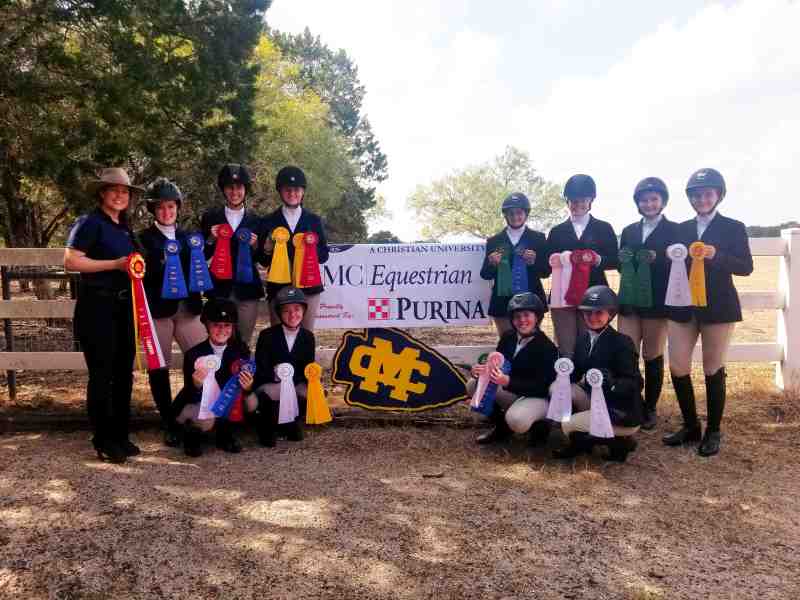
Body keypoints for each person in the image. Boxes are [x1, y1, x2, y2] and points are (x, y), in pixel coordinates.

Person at [663, 168, 753, 457]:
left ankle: (713, 430)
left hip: (718, 307)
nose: (702, 199)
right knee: (678, 365)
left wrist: (717, 256)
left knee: (713, 368)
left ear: (719, 195)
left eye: (707, 194)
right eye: (696, 195)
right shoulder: (681, 229)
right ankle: (691, 426)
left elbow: (746, 267)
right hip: (683, 307)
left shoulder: (734, 227)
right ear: (690, 198)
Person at [64, 167, 143, 463]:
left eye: (125, 192)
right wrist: (114, 265)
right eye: (114, 190)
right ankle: (103, 438)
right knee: (102, 375)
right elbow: (71, 261)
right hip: (97, 307)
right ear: (102, 193)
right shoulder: (89, 223)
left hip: (124, 308)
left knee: (124, 373)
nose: (120, 196)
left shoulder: (124, 227)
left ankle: (121, 434)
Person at [138, 178, 206, 446]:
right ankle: (168, 421)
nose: (167, 212)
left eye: (171, 207)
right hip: (159, 310)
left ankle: (185, 410)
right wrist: (161, 262)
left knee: (203, 361)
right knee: (159, 366)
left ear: (178, 208)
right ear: (153, 210)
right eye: (161, 208)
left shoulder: (190, 238)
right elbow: (143, 273)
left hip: (188, 309)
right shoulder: (143, 239)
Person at [553, 286, 643, 462]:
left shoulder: (622, 342)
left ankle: (619, 444)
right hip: (595, 401)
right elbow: (576, 372)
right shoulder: (583, 339)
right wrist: (562, 372)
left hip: (621, 410)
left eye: (598, 313)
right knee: (557, 390)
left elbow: (636, 383)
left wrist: (613, 383)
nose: (592, 318)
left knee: (568, 424)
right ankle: (584, 441)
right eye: (588, 313)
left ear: (610, 314)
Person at [617, 177, 679, 430]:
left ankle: (651, 406)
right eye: (644, 199)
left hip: (657, 303)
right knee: (627, 354)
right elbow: (622, 266)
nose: (649, 203)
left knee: (652, 356)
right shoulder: (629, 230)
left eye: (654, 199)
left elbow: (680, 265)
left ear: (662, 201)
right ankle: (631, 402)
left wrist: (660, 259)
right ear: (638, 203)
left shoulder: (674, 230)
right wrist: (623, 260)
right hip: (630, 303)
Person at [466, 292, 559, 446]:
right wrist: (481, 372)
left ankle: (540, 426)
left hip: (537, 397)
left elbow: (542, 387)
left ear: (537, 317)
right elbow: (498, 365)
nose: (522, 320)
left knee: (517, 420)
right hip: (513, 390)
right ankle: (501, 427)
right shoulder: (508, 337)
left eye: (526, 315)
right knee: (473, 385)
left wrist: (508, 381)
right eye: (517, 316)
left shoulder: (547, 347)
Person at [546, 174, 619, 358]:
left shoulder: (604, 228)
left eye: (583, 199)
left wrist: (598, 259)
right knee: (565, 347)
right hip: (562, 298)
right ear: (567, 201)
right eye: (573, 200)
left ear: (591, 200)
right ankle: (567, 384)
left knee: (591, 346)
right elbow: (547, 265)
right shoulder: (556, 232)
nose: (577, 203)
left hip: (594, 297)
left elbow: (615, 260)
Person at [172, 298, 253, 457]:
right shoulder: (193, 354)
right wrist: (196, 384)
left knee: (251, 401)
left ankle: (226, 435)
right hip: (200, 402)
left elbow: (241, 389)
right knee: (205, 420)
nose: (222, 330)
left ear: (233, 327)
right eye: (216, 324)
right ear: (207, 325)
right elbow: (189, 392)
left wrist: (248, 386)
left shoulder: (241, 352)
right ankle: (191, 434)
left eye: (227, 325)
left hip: (227, 402)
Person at [200, 163, 267, 346]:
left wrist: (255, 246)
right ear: (223, 189)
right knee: (218, 341)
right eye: (230, 187)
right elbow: (203, 254)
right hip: (219, 289)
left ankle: (242, 374)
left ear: (245, 190)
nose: (234, 192)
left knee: (243, 341)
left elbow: (263, 259)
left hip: (248, 290)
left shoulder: (257, 221)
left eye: (239, 187)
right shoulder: (210, 217)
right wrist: (210, 240)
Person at [261, 166, 329, 332]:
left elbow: (324, 255)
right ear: (280, 192)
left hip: (309, 288)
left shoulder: (314, 220)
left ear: (303, 191)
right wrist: (268, 248)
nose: (292, 194)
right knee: (278, 337)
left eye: (297, 189)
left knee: (305, 336)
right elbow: (262, 260)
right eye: (287, 190)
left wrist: (310, 249)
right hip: (278, 288)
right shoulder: (268, 221)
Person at [251, 286, 316, 447]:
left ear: (303, 310)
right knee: (277, 390)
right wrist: (276, 375)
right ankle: (266, 427)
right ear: (279, 313)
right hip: (270, 383)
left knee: (312, 392)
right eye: (287, 311)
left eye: (297, 309)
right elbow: (260, 368)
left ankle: (291, 422)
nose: (293, 314)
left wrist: (311, 380)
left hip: (295, 382)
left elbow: (308, 368)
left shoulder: (308, 337)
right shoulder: (266, 336)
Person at [479, 193, 551, 337]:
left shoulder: (538, 238)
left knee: (531, 343)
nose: (515, 216)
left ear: (526, 214)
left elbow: (546, 272)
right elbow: (485, 274)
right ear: (505, 215)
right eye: (510, 213)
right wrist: (492, 263)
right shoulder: (494, 241)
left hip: (532, 302)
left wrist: (534, 262)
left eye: (519, 213)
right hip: (502, 303)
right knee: (507, 343)